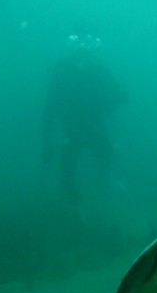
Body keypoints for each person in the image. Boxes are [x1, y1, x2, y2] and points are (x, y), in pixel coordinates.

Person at [43, 24, 128, 211]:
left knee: (101, 166)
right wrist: (47, 142)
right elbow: (50, 105)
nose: (83, 49)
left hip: (88, 127)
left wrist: (112, 99)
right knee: (70, 173)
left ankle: (101, 202)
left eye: (87, 42)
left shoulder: (98, 70)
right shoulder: (64, 69)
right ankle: (75, 209)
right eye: (79, 42)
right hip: (77, 128)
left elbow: (121, 96)